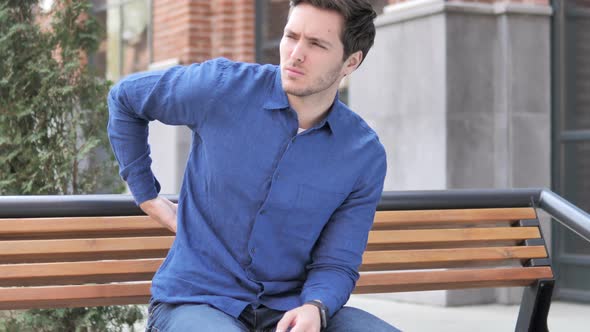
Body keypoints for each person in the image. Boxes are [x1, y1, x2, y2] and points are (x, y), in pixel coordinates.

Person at [108, 0, 398, 331]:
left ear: (351, 61)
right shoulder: (222, 87)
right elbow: (126, 99)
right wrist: (146, 195)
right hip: (197, 301)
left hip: (290, 307)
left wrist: (316, 307)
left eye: (316, 44)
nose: (295, 53)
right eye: (291, 36)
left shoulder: (363, 154)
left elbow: (336, 262)